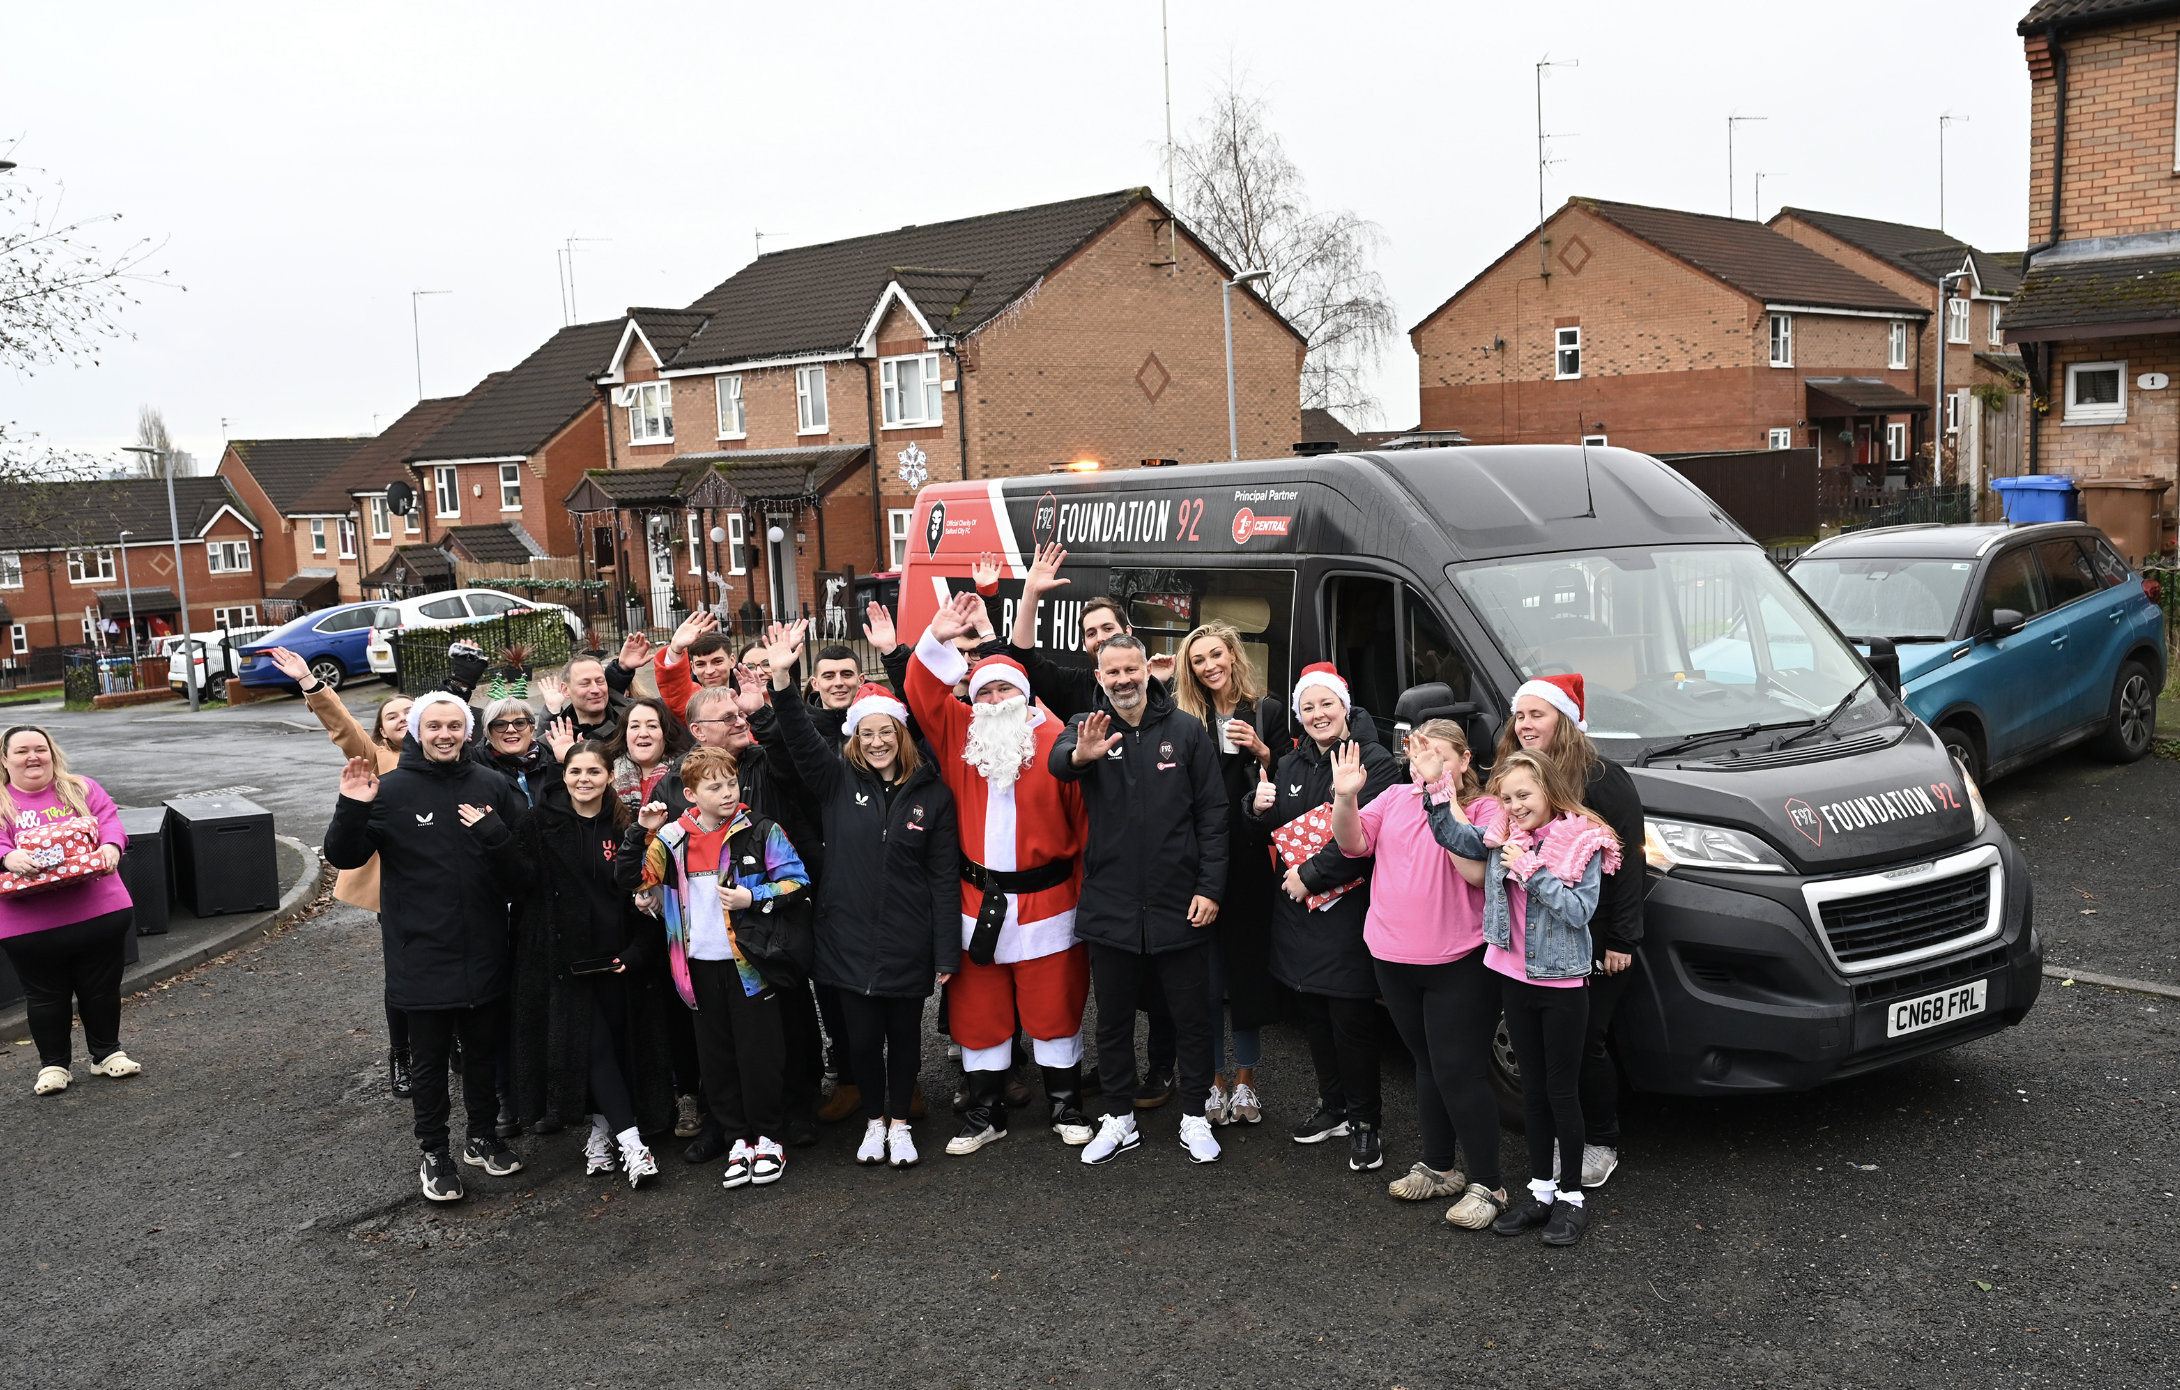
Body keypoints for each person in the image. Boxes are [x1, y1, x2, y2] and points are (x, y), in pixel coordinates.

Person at [761, 623, 958, 1169]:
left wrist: (945, 952)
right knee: (863, 1042)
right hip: (844, 936)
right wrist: (781, 678)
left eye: (887, 733)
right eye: (867, 733)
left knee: (904, 1039)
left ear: (902, 736)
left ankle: (900, 1121)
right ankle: (874, 1121)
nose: (877, 742)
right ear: (853, 738)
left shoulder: (933, 795)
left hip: (907, 937)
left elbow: (943, 877)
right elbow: (799, 736)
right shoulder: (834, 781)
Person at [323, 692, 530, 1202]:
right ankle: (434, 1150)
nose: (444, 734)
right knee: (430, 1059)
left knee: (482, 1050)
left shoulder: (493, 786)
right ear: (416, 731)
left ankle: (481, 1137)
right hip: (419, 947)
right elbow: (343, 853)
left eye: (454, 726)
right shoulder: (390, 790)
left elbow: (525, 871)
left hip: (483, 942)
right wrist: (353, 804)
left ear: (467, 732)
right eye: (434, 725)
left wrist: (495, 834)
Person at [906, 591, 1091, 1156]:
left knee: (1055, 1008)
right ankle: (984, 1113)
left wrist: (1088, 906)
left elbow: (1084, 831)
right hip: (974, 901)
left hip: (1050, 903)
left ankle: (1066, 1104)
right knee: (978, 1012)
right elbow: (920, 691)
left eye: (1004, 687)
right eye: (983, 689)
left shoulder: (1062, 741)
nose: (993, 697)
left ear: (1026, 694)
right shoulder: (959, 734)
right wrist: (935, 637)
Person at [1429, 748, 1618, 1248]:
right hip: (1514, 976)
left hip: (1561, 984)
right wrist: (1436, 788)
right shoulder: (1501, 837)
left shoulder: (1583, 840)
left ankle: (1572, 1199)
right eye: (1506, 797)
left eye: (1524, 795)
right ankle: (1540, 1190)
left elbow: (1580, 912)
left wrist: (1533, 871)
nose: (1514, 806)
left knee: (1560, 1092)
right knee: (1532, 1090)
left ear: (1548, 792)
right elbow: (1453, 834)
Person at [1050, 636, 1229, 1165]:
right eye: (1113, 672)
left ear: (1146, 672)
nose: (1124, 679)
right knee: (1112, 1020)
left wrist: (1210, 888)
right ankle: (1120, 1117)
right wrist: (1082, 754)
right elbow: (1062, 761)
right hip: (1111, 903)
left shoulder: (1186, 730)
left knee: (1192, 1017)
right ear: (1099, 676)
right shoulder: (1088, 725)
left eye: (1132, 669)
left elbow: (1214, 815)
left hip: (1182, 902)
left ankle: (1195, 1116)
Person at [1331, 723, 1508, 1230]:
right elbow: (1351, 843)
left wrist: (1440, 792)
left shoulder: (1486, 809)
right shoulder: (1391, 796)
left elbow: (1475, 868)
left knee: (1461, 1070)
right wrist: (1345, 798)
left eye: (1437, 754)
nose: (1423, 763)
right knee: (1427, 1063)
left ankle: (1489, 1184)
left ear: (1466, 758)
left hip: (1459, 961)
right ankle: (1439, 1166)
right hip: (1391, 956)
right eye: (1416, 753)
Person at [479, 741, 671, 1187]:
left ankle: (602, 1135)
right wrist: (494, 837)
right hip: (561, 963)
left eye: (594, 772)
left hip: (617, 957)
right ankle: (633, 1146)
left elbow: (642, 892)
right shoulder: (537, 823)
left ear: (609, 777)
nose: (584, 779)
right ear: (562, 776)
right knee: (594, 1048)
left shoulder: (628, 823)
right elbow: (518, 885)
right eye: (575, 771)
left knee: (613, 1049)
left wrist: (638, 952)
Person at [622, 746, 810, 1189]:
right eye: (715, 786)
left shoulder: (762, 830)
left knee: (759, 1055)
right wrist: (640, 833)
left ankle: (769, 1139)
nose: (728, 792)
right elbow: (636, 881)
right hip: (697, 968)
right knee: (717, 1059)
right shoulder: (670, 837)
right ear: (691, 794)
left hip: (751, 964)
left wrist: (755, 897)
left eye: (731, 782)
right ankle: (738, 1140)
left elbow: (798, 880)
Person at [1245, 663, 1401, 1170]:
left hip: (1347, 911)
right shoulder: (1288, 765)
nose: (1317, 715)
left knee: (1351, 1021)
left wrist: (1311, 876)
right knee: (1312, 1014)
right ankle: (1331, 1107)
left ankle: (1365, 1122)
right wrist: (1255, 805)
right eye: (1307, 707)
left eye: (1326, 704)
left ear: (1345, 707)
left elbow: (1364, 840)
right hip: (1297, 915)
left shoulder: (1374, 761)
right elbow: (1272, 832)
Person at [1492, 674, 1643, 1191]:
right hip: (1535, 943)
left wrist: (1622, 938)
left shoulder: (1603, 778)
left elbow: (1629, 861)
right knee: (1554, 1057)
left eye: (1539, 713)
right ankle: (1558, 1142)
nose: (1526, 724)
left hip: (1592, 931)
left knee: (1588, 1042)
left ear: (1566, 719)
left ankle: (1600, 1140)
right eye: (1520, 715)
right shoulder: (1519, 778)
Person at [269, 646, 415, 1095]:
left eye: (413, 711)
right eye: (394, 716)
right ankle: (402, 1055)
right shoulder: (376, 759)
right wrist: (310, 683)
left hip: (450, 883)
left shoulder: (456, 760)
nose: (405, 719)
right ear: (383, 732)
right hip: (396, 889)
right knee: (405, 974)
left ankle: (453, 1043)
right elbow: (345, 728)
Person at [1170, 621, 1288, 1126]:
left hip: (1248, 857)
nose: (1209, 665)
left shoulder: (1267, 710)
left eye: (1216, 655)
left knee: (1245, 973)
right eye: (1199, 660)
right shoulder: (1183, 719)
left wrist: (1262, 751)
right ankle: (1212, 1081)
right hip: (1199, 855)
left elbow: (1294, 776)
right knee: (1205, 973)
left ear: (1234, 656)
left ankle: (1245, 1081)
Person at [0, 726, 138, 1096]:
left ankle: (106, 1054)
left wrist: (112, 846)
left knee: (101, 989)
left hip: (99, 911)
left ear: (52, 753)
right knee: (45, 997)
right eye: (22, 750)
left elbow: (110, 820)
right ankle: (54, 1066)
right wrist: (7, 855)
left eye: (40, 749)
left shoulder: (81, 788)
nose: (33, 757)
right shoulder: (1, 802)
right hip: (30, 925)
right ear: (4, 758)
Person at [476, 696, 572, 807]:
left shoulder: (552, 761)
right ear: (488, 734)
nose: (511, 730)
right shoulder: (477, 766)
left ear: (531, 730)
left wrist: (567, 763)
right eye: (500, 724)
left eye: (520, 723)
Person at [606, 697, 693, 812]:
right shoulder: (605, 775)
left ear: (666, 734)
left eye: (652, 726)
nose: (643, 734)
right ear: (625, 736)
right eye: (635, 726)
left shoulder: (687, 774)